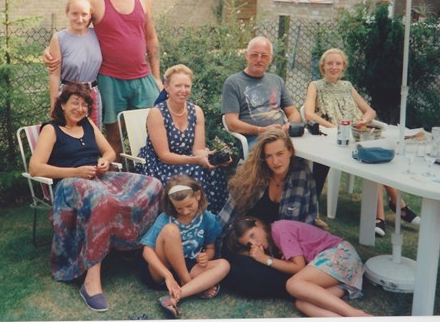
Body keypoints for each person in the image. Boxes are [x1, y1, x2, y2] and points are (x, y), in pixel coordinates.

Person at [29, 83, 163, 312]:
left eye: (84, 104)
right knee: (104, 201)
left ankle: (137, 248)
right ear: (62, 105)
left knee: (153, 184)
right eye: (75, 103)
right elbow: (35, 168)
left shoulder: (88, 124)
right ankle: (91, 281)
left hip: (97, 178)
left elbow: (108, 151)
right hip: (69, 185)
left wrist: (105, 161)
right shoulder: (52, 129)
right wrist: (76, 172)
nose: (80, 108)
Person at [44, 0, 162, 157]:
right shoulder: (94, 0)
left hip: (143, 78)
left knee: (150, 131)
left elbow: (151, 38)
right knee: (113, 137)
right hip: (110, 80)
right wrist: (49, 50)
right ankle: (115, 179)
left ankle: (149, 178)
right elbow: (76, 31)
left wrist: (156, 76)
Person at [303, 48, 420, 237]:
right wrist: (336, 128)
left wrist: (363, 121)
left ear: (343, 67)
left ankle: (389, 210)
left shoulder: (347, 86)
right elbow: (309, 114)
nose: (334, 67)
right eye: (330, 63)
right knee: (373, 158)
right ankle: (394, 208)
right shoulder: (315, 85)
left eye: (338, 64)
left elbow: (370, 111)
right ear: (322, 66)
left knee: (377, 155)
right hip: (335, 139)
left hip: (358, 135)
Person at [216, 129, 324, 298]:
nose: (275, 161)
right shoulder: (253, 173)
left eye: (280, 153)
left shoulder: (301, 176)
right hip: (247, 237)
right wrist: (213, 247)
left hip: (279, 248)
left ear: (290, 151)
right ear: (263, 158)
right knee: (235, 258)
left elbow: (306, 222)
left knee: (257, 278)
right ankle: (227, 270)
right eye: (269, 156)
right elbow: (229, 213)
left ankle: (228, 274)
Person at [227, 217, 370, 317]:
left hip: (340, 254)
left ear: (258, 224)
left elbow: (298, 267)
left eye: (252, 235)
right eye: (248, 243)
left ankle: (354, 313)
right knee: (302, 303)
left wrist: (265, 259)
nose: (254, 242)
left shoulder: (279, 229)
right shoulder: (273, 244)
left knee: (293, 284)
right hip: (341, 273)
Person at [136, 64, 231, 214]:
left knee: (214, 172)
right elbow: (164, 156)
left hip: (188, 159)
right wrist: (196, 160)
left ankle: (210, 221)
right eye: (178, 85)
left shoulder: (196, 111)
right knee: (195, 175)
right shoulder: (157, 113)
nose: (183, 90)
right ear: (166, 87)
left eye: (187, 86)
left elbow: (197, 150)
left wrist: (210, 158)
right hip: (160, 164)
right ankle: (184, 221)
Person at [139, 175, 230, 319]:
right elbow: (146, 251)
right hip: (162, 270)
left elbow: (210, 248)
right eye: (179, 208)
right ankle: (191, 284)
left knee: (224, 265)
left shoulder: (208, 218)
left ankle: (175, 297)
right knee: (171, 230)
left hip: (190, 266)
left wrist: (206, 256)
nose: (186, 211)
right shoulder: (165, 218)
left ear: (198, 195)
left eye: (189, 206)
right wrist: (168, 276)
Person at [221, 36, 301, 152]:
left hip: (282, 135)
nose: (259, 60)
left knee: (311, 152)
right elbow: (231, 123)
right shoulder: (233, 82)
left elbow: (293, 112)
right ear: (246, 56)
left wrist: (289, 125)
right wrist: (261, 130)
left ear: (270, 59)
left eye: (264, 56)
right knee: (278, 152)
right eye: (254, 55)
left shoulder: (277, 81)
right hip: (254, 138)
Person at [47, 0, 103, 128]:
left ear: (90, 16)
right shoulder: (59, 38)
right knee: (70, 132)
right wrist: (54, 105)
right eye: (75, 14)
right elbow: (54, 75)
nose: (80, 19)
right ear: (67, 13)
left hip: (92, 94)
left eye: (84, 14)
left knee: (94, 134)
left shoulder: (97, 35)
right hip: (68, 94)